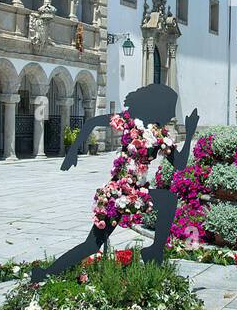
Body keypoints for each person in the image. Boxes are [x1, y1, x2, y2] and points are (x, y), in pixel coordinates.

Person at [31, 83, 198, 282]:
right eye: (169, 109)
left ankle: (154, 251)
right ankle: (45, 273)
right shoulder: (129, 122)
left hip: (138, 193)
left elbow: (179, 165)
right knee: (92, 244)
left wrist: (189, 135)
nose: (171, 114)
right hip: (118, 193)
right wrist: (74, 149)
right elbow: (92, 122)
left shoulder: (160, 135)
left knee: (169, 200)